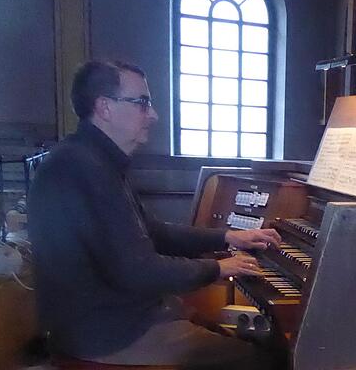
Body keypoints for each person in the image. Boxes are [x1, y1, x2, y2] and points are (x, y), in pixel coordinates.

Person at [28, 60, 281, 368]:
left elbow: (153, 231)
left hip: (109, 319)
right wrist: (218, 267)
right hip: (106, 333)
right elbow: (138, 270)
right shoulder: (84, 168)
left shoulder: (93, 160)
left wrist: (228, 236)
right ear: (104, 108)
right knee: (261, 360)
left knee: (221, 330)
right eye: (142, 103)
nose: (154, 115)